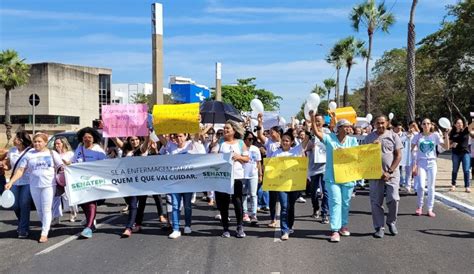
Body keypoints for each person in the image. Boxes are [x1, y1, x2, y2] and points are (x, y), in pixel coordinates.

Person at [5, 133, 63, 243]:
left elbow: (61, 166)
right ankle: (46, 226)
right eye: (35, 142)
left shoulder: (51, 153)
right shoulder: (29, 154)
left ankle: (44, 232)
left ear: (45, 142)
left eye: (40, 141)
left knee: (46, 209)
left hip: (49, 185)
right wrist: (11, 182)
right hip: (34, 185)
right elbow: (21, 170)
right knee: (39, 210)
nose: (37, 143)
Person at [311, 113, 358, 243]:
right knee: (336, 202)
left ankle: (343, 225)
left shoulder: (353, 141)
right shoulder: (329, 138)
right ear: (339, 127)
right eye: (346, 126)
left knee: (345, 202)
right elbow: (316, 132)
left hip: (348, 176)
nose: (349, 129)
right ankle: (335, 230)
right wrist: (312, 118)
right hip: (332, 177)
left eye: (350, 127)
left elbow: (360, 155)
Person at [160, 132, 206, 239]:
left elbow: (198, 138)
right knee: (175, 205)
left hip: (188, 182)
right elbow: (160, 137)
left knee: (187, 205)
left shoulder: (191, 145)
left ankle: (187, 225)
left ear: (186, 136)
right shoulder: (171, 146)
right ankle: (176, 229)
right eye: (176, 136)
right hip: (175, 182)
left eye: (181, 136)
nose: (179, 138)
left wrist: (197, 122)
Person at [364, 116, 402, 238]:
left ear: (387, 123)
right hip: (375, 175)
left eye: (382, 123)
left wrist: (389, 171)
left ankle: (391, 221)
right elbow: (363, 157)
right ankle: (379, 227)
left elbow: (398, 156)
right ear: (374, 124)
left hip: (392, 174)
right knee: (376, 202)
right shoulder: (368, 138)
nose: (380, 125)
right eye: (378, 123)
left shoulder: (394, 136)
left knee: (393, 198)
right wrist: (371, 148)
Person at [211, 120, 249, 238]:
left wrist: (238, 157)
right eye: (224, 128)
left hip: (237, 176)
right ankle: (225, 228)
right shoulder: (221, 142)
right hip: (223, 177)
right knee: (224, 203)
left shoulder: (240, 143)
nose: (225, 130)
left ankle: (239, 226)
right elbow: (212, 156)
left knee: (237, 201)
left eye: (228, 128)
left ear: (234, 130)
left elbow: (247, 158)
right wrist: (214, 145)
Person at [111, 135, 150, 238]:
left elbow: (145, 143)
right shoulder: (125, 149)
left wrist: (148, 136)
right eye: (132, 140)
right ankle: (132, 225)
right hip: (129, 182)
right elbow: (114, 139)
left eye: (137, 139)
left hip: (142, 182)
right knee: (132, 204)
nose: (134, 141)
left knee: (139, 205)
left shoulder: (141, 149)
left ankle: (132, 226)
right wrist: (109, 128)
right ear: (129, 140)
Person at [72, 127, 107, 239]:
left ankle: (88, 227)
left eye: (90, 137)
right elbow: (73, 161)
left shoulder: (98, 150)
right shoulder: (79, 148)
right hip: (80, 181)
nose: (87, 139)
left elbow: (105, 164)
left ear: (94, 138)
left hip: (93, 181)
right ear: (81, 138)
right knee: (83, 202)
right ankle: (90, 223)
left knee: (91, 203)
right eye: (85, 137)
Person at [411, 118, 450, 217]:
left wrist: (446, 135)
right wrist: (414, 164)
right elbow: (411, 150)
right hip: (421, 163)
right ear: (421, 125)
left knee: (431, 187)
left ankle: (429, 209)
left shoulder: (435, 135)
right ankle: (419, 207)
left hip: (432, 163)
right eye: (424, 124)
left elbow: (446, 147)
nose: (426, 125)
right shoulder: (417, 136)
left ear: (431, 125)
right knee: (420, 186)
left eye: (428, 123)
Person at [270, 130, 304, 240]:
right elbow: (271, 167)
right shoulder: (276, 153)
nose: (284, 142)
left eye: (287, 141)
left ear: (291, 142)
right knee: (284, 207)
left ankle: (290, 225)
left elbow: (306, 140)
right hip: (281, 184)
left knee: (290, 206)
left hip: (293, 184)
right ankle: (284, 230)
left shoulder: (296, 151)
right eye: (283, 140)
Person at [3, 131, 33, 238]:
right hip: (14, 181)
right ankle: (22, 223)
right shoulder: (12, 151)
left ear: (21, 140)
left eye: (16, 138)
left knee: (24, 204)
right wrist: (4, 166)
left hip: (28, 181)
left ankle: (23, 229)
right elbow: (10, 166)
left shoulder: (31, 152)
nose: (14, 139)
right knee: (15, 205)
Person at [256, 113, 283, 227]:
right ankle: (273, 219)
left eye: (272, 132)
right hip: (271, 173)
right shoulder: (269, 143)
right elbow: (260, 135)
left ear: (279, 133)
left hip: (283, 174)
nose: (270, 134)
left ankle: (284, 218)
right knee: (272, 198)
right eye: (270, 132)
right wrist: (260, 123)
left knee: (283, 197)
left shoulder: (285, 143)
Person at [306, 113, 330, 224]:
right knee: (313, 191)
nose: (317, 123)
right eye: (315, 121)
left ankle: (325, 213)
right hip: (313, 167)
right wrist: (310, 146)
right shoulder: (310, 134)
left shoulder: (328, 133)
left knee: (326, 191)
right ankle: (316, 208)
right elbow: (304, 147)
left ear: (324, 122)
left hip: (325, 166)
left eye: (319, 121)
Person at [52, 137, 76, 224]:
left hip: (67, 178)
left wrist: (67, 163)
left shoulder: (70, 154)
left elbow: (74, 164)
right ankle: (56, 217)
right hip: (56, 178)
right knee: (56, 198)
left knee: (68, 197)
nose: (56, 145)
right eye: (55, 144)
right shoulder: (53, 154)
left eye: (58, 143)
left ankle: (72, 212)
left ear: (64, 144)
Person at [242, 131, 262, 225]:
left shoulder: (255, 149)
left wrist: (260, 174)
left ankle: (254, 214)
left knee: (253, 194)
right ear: (245, 139)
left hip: (253, 174)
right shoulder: (241, 148)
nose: (251, 141)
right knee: (244, 194)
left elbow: (258, 163)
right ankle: (245, 213)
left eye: (252, 139)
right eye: (249, 139)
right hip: (242, 175)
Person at [449, 118, 471, 193]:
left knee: (466, 170)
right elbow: (448, 145)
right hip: (455, 153)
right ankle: (453, 185)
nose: (460, 124)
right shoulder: (452, 133)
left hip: (465, 153)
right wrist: (452, 145)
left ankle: (467, 186)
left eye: (461, 123)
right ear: (455, 124)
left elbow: (472, 125)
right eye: (458, 123)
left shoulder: (465, 130)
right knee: (455, 169)